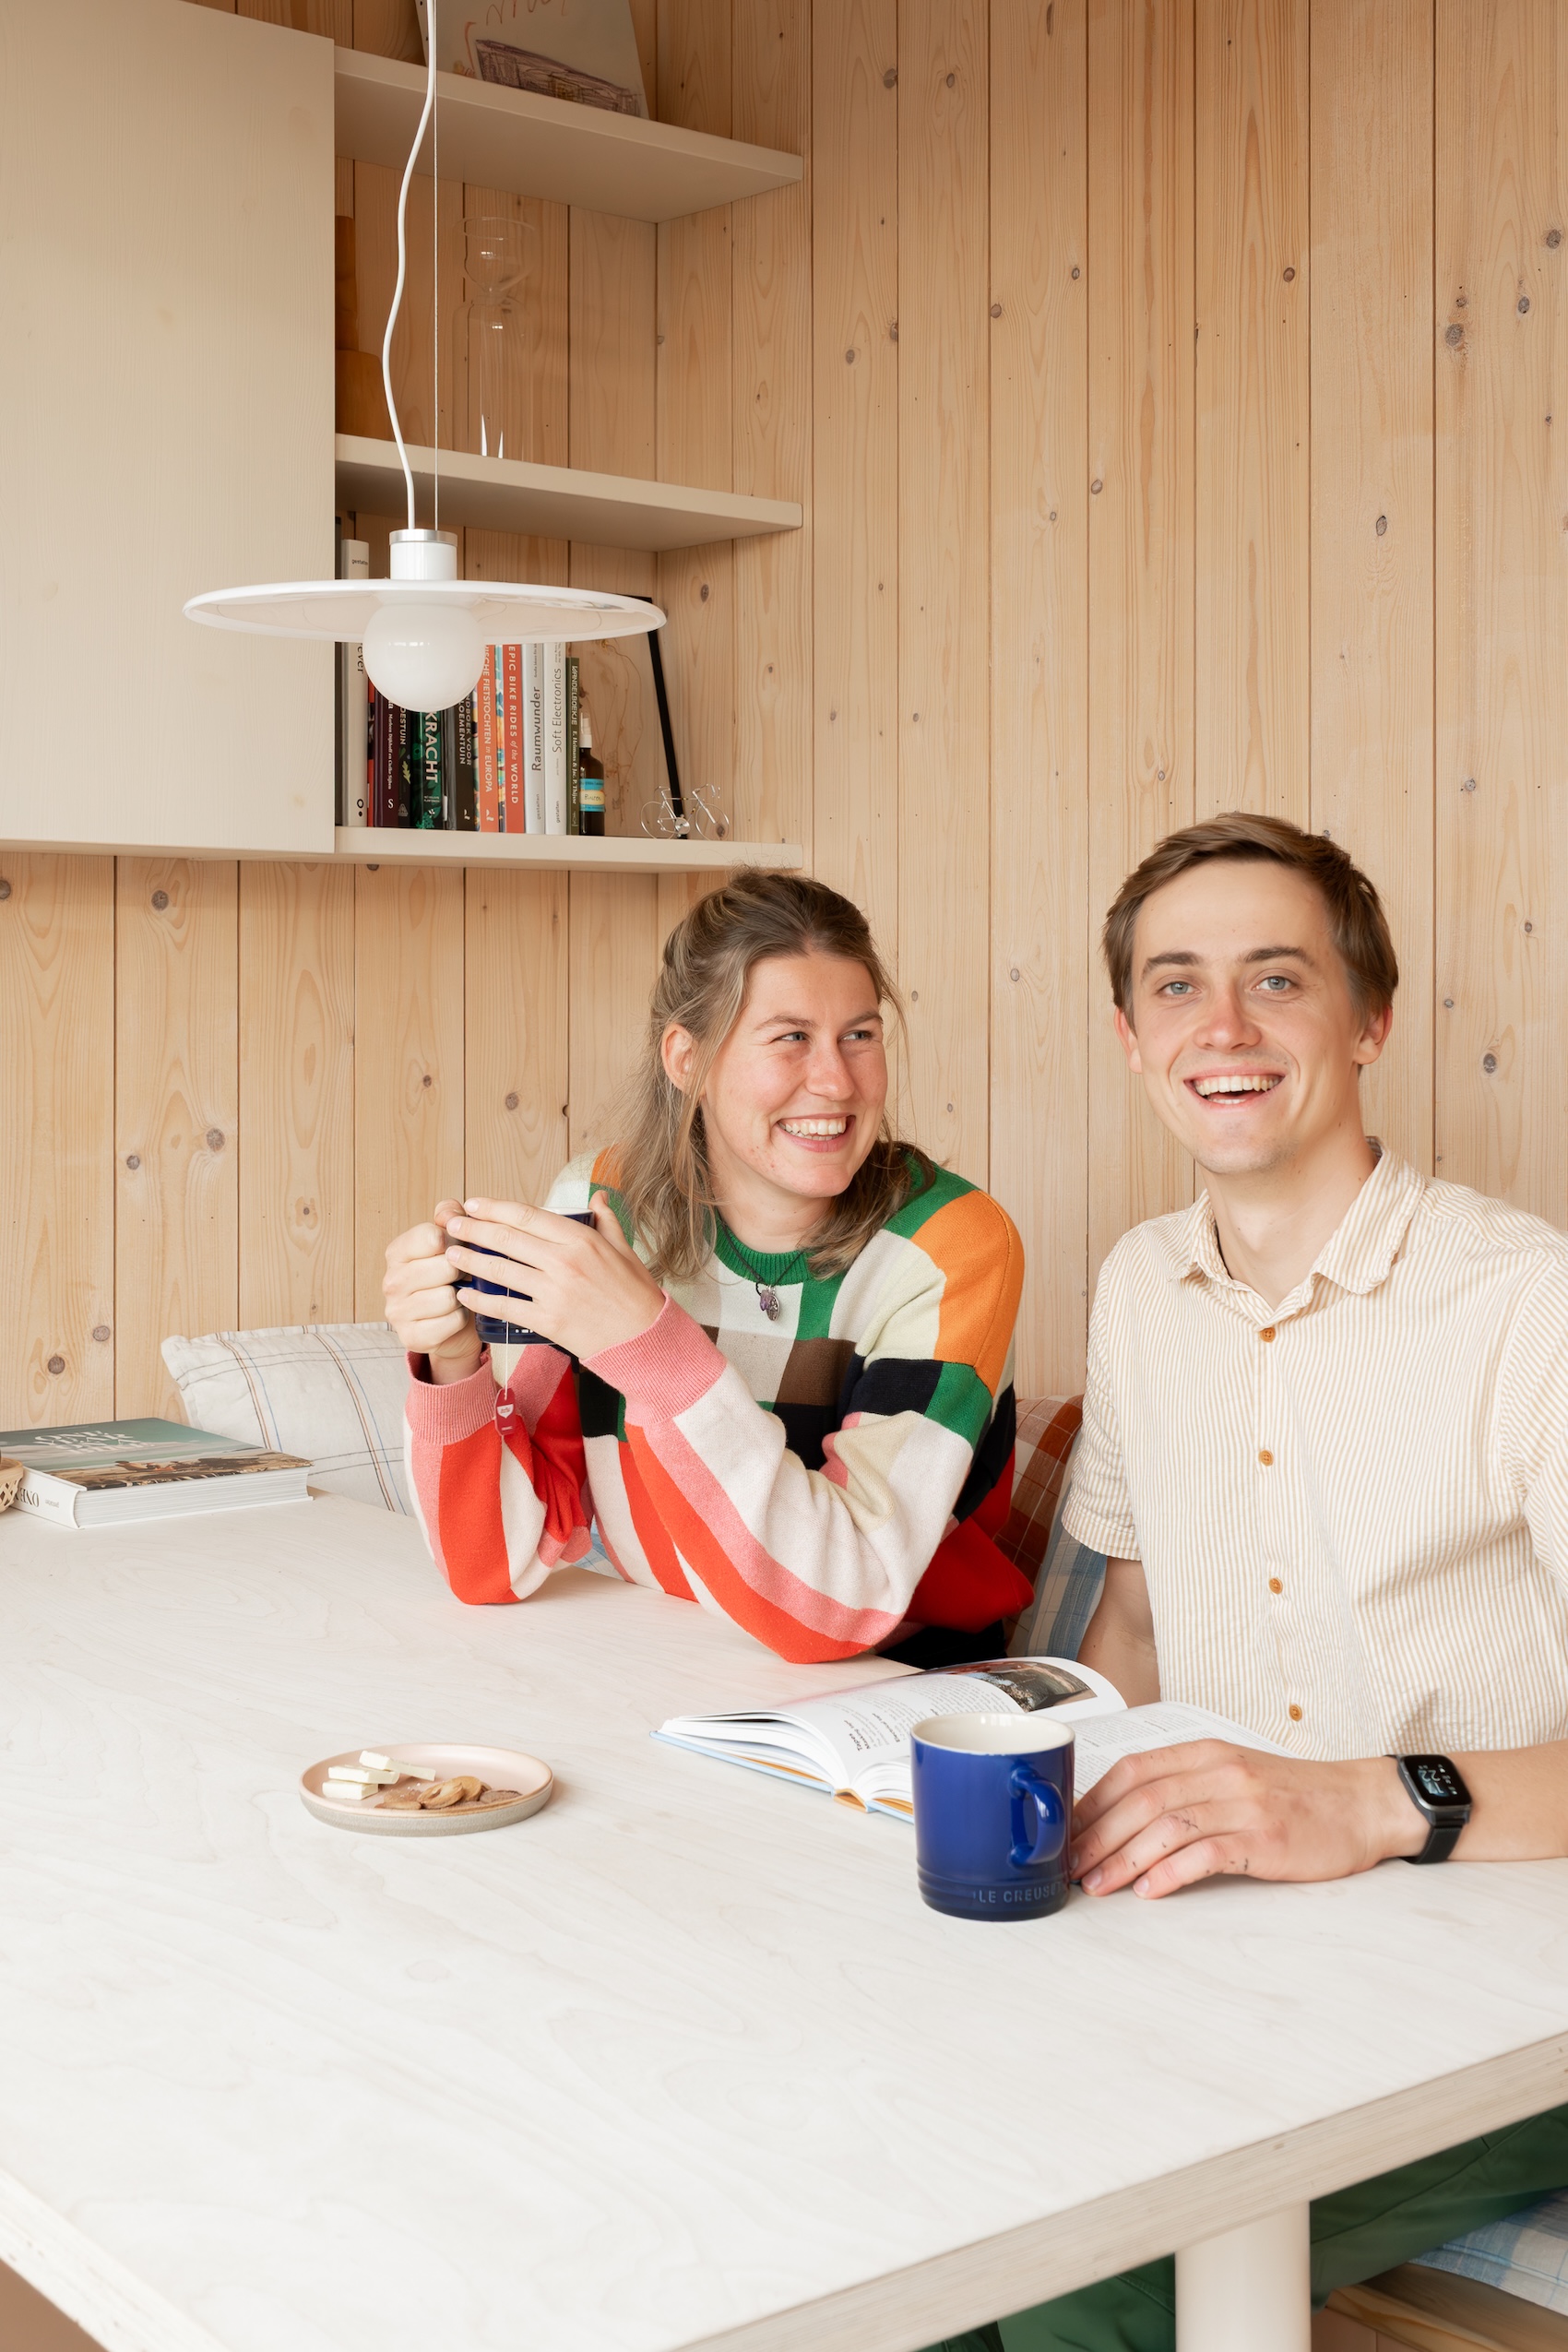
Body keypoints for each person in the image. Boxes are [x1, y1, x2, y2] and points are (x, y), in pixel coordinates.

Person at [931, 813, 1568, 2352]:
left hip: (1500, 2003)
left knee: (1075, 2274)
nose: (1222, 1026)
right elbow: (1137, 1632)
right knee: (896, 2199)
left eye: (1277, 979)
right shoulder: (1142, 1285)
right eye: (1177, 985)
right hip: (1222, 1955)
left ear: (1370, 1018)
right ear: (1131, 1036)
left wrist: (1364, 1803)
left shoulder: (1525, 1302)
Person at [383, 871, 1029, 1667]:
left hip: (899, 1685)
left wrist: (649, 1346)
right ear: (686, 1059)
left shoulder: (951, 1244)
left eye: (859, 1035)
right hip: (674, 1659)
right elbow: (491, 1565)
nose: (837, 1081)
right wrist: (453, 1366)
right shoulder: (600, 1205)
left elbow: (840, 1604)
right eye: (790, 1037)